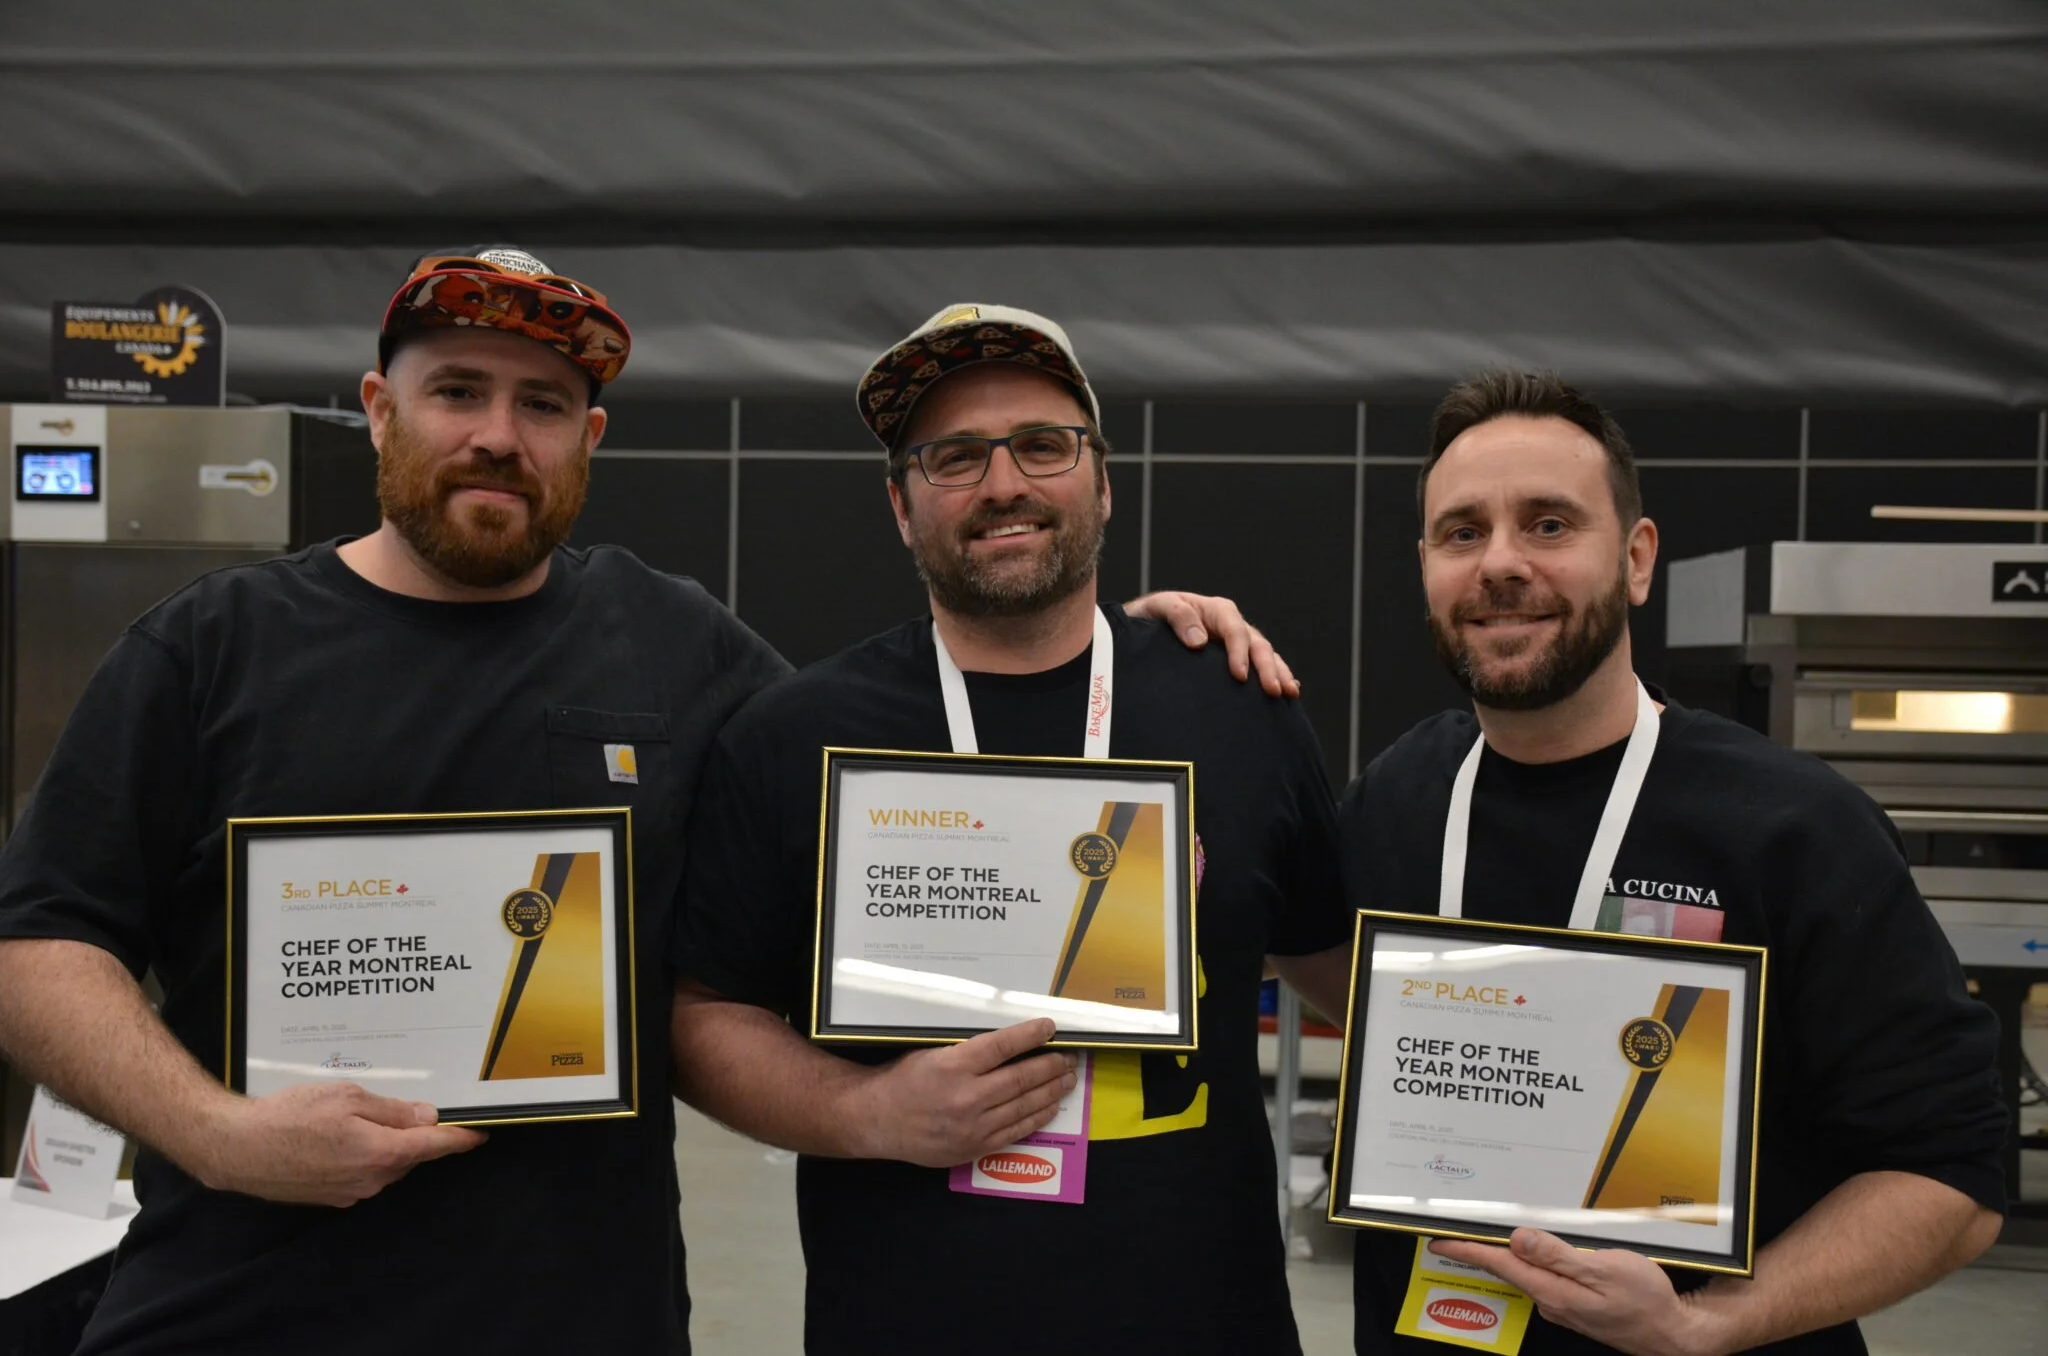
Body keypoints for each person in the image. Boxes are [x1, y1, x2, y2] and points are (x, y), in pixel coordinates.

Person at [0, 255, 1282, 1355]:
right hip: (241, 1313)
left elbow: (916, 781)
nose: (500, 434)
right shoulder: (210, 650)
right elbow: (38, 946)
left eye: (545, 403)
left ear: (590, 438)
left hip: (582, 1325)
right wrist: (218, 1136)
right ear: (379, 410)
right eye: (457, 390)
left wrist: (1131, 643)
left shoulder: (677, 646)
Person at [670, 302, 1357, 1355]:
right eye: (952, 457)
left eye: (1042, 445)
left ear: (1102, 481)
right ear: (901, 507)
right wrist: (866, 1115)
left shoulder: (1235, 704)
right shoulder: (794, 735)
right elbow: (701, 1013)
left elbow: (1341, 967)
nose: (1003, 484)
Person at [1339, 369, 2007, 1355]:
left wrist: (1704, 1323)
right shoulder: (1400, 792)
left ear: (1637, 558)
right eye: (1461, 532)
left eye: (1549, 524)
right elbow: (1324, 971)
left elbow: (1952, 1183)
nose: (1500, 564)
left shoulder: (1789, 823)